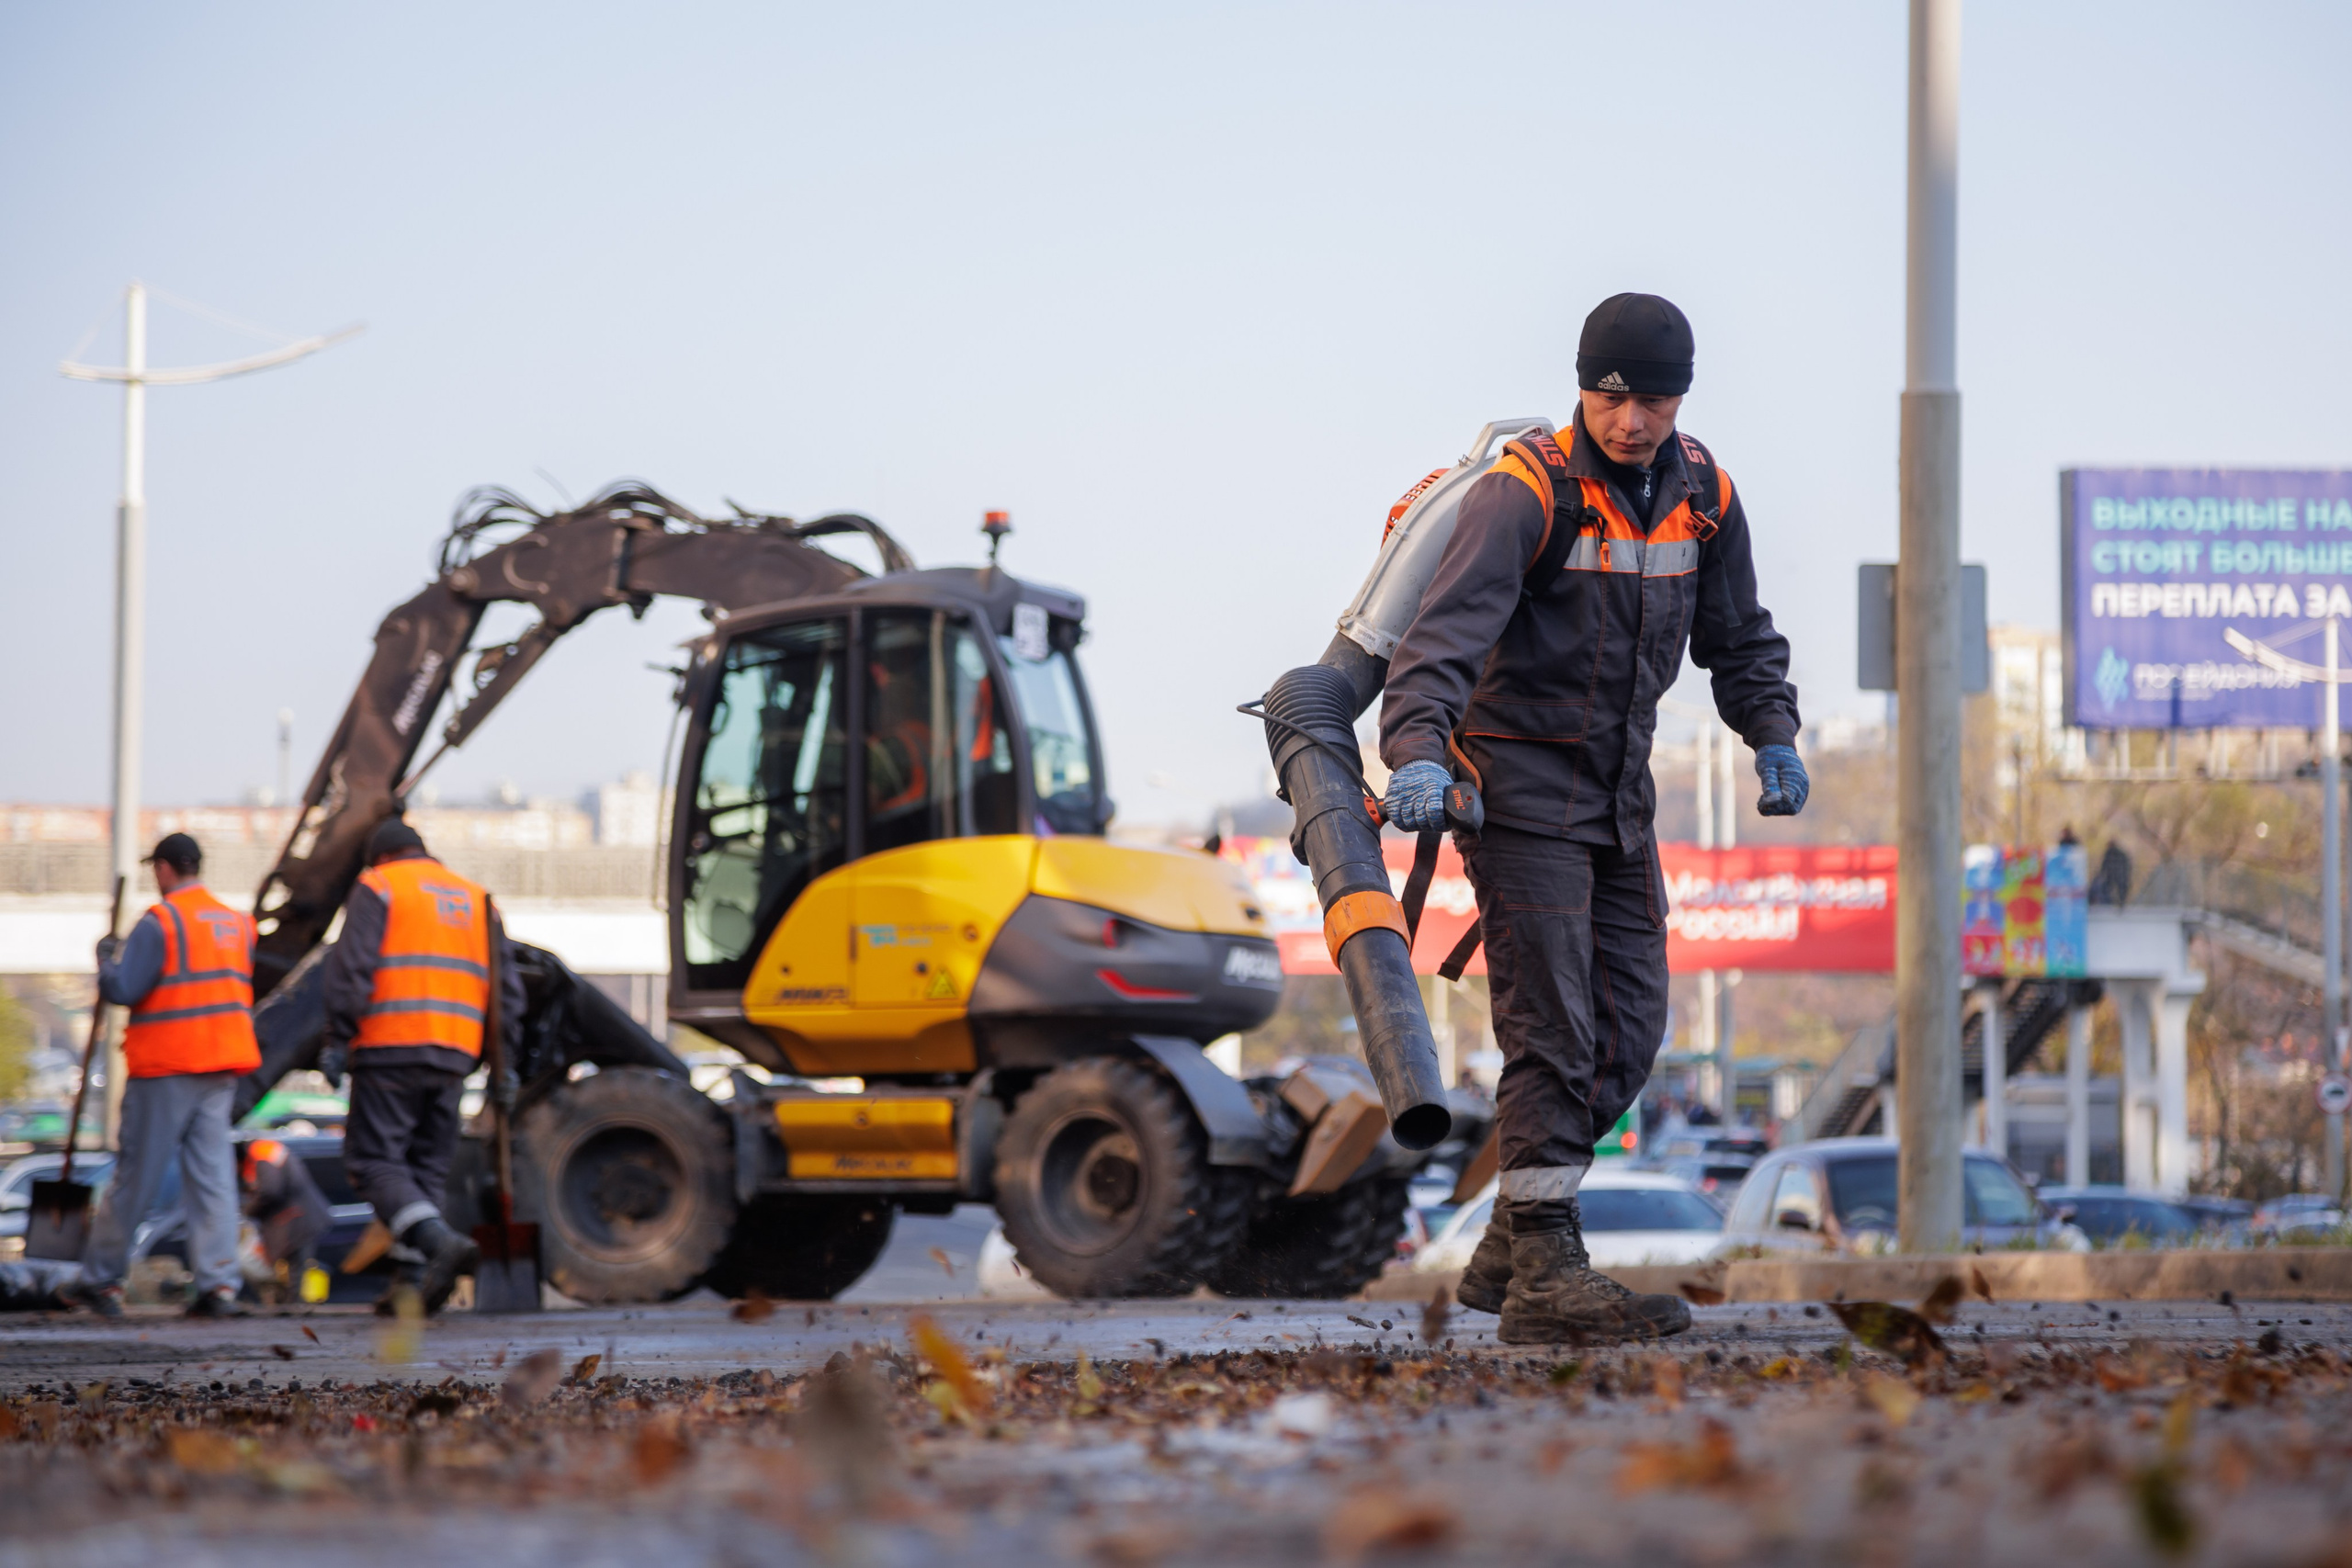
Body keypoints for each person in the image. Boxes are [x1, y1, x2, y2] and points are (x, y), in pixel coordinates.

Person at [1379, 293, 1806, 1344]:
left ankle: (1510, 1247)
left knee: (1629, 1031)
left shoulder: (1703, 494)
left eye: (1654, 402)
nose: (1633, 423)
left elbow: (1739, 636)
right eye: (1614, 400)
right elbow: (1439, 641)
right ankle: (1546, 1282)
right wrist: (1419, 755)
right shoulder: (1526, 494)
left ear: (1679, 400)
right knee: (1554, 1030)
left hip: (1620, 798)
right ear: (1583, 388)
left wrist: (1772, 731)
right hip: (1517, 794)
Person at [320, 818, 522, 1313]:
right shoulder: (477, 898)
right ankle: (412, 1286)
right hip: (454, 1053)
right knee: (424, 1167)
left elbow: (352, 967)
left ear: (381, 857)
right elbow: (507, 993)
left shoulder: (381, 885)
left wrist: (337, 1037)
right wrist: (505, 1066)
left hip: (390, 1044)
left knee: (373, 1161)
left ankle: (437, 1245)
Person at [66, 832, 260, 1318]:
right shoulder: (238, 923)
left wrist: (106, 959)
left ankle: (101, 1281)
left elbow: (126, 988)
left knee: (136, 1176)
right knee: (213, 1179)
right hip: (221, 1067)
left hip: (168, 1067)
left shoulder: (163, 921)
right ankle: (220, 1285)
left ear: (164, 869)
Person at [239, 1135, 332, 1297]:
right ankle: (292, 1307)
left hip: (296, 1222)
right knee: (293, 1274)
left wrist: (248, 1210)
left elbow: (270, 1191)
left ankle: (295, 1309)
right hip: (297, 1221)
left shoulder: (261, 1151)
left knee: (296, 1275)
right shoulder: (262, 1152)